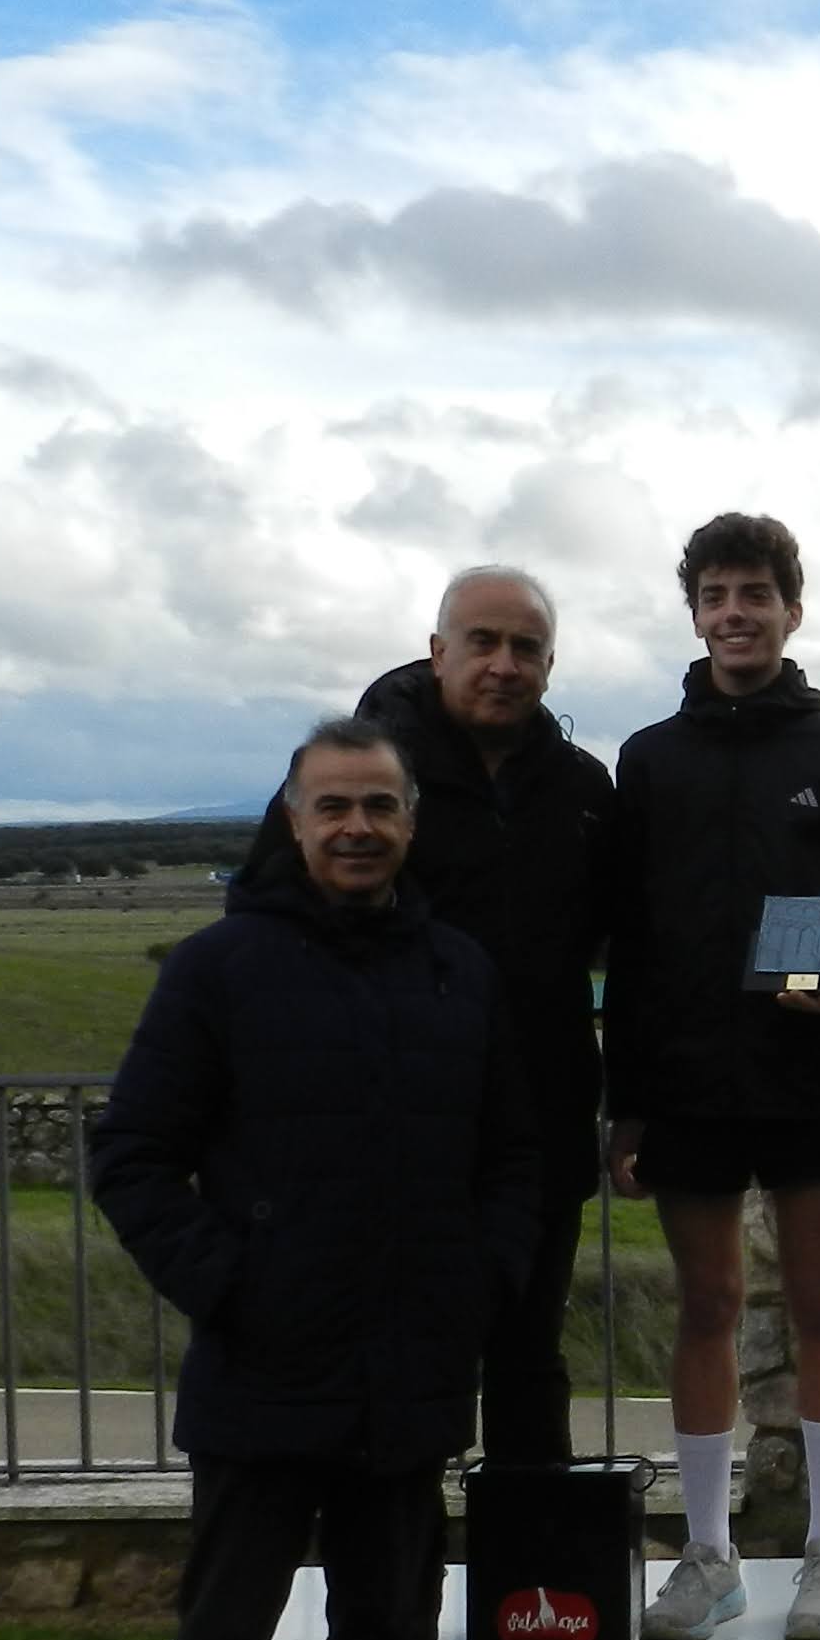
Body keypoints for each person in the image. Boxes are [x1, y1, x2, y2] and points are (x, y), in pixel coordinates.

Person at [90, 717, 541, 1640]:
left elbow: (512, 1157)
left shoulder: (460, 973)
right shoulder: (219, 970)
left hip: (406, 1373)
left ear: (412, 823)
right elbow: (132, 1157)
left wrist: (482, 1280)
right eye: (332, 806)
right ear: (291, 822)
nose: (358, 827)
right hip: (262, 1374)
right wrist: (234, 1284)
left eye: (381, 807)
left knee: (387, 1639)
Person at [603, 513, 820, 1640]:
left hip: (803, 1074)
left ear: (792, 608)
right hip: (682, 1080)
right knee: (709, 1305)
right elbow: (628, 944)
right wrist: (624, 1099)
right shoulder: (649, 758)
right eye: (717, 595)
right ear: (694, 612)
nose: (736, 613)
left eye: (756, 594)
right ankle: (709, 1555)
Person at [243, 565, 612, 1469]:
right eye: (481, 643)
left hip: (536, 1132)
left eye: (525, 647)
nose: (503, 664)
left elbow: (625, 951)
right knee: (393, 1374)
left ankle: (539, 1596)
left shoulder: (582, 791)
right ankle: (386, 1600)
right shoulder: (364, 780)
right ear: (437, 651)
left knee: (529, 1360)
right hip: (387, 1131)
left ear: (551, 665)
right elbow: (261, 926)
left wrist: (632, 1101)